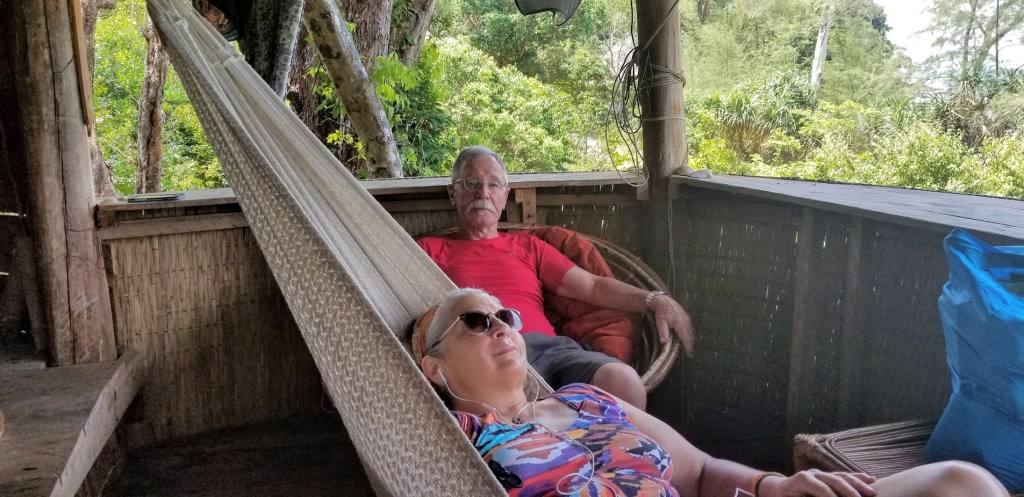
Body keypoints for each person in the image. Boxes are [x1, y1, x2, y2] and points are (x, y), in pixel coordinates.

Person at [411, 288, 1011, 497]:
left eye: (505, 316)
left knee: (962, 482)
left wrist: (775, 485)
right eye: (475, 321)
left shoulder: (587, 401)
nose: (500, 327)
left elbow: (698, 473)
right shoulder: (449, 440)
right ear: (434, 368)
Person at [417, 145, 694, 409]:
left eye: (494, 185)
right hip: (480, 354)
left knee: (623, 382)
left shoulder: (528, 246)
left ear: (505, 195)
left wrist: (654, 300)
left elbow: (592, 286)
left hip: (546, 349)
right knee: (508, 410)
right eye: (471, 183)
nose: (483, 193)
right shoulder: (427, 251)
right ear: (452, 193)